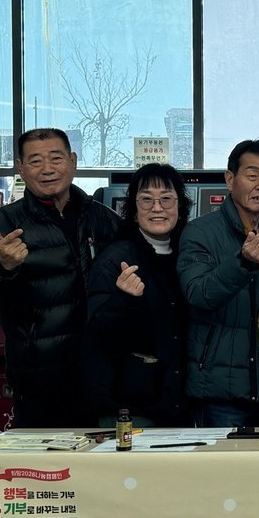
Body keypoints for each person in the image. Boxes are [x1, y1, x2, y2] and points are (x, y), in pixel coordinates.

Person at [0, 127, 121, 427]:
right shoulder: (3, 223)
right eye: (35, 161)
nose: (48, 169)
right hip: (39, 381)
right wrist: (3, 267)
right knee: (45, 458)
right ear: (20, 168)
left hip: (104, 375)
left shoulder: (103, 219)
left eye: (56, 158)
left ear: (72, 161)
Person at [177, 139, 259, 428]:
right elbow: (199, 294)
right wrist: (243, 262)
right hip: (221, 387)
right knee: (225, 459)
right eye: (252, 175)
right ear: (229, 179)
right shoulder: (200, 232)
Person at [83, 163, 192, 428]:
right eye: (146, 199)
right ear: (133, 210)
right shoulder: (115, 259)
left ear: (180, 206)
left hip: (178, 401)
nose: (157, 208)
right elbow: (95, 333)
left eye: (166, 198)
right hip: (129, 407)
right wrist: (123, 299)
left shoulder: (188, 255)